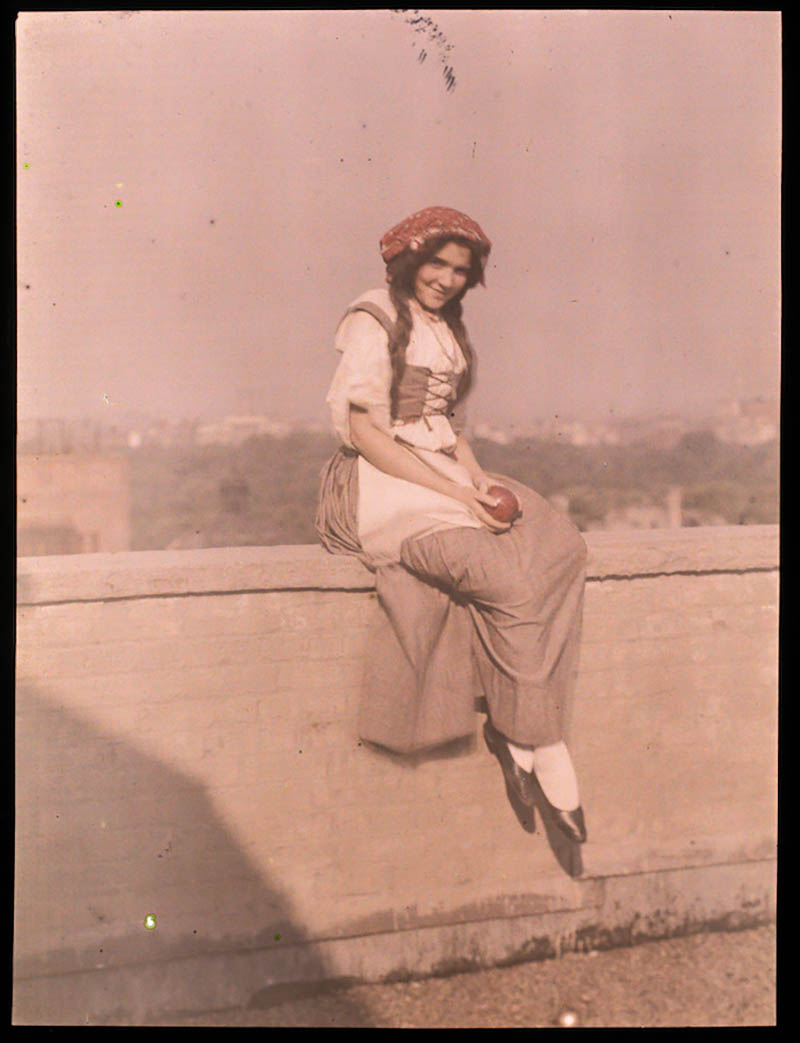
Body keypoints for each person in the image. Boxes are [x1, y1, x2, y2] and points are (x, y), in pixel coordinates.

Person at [316, 206, 588, 845]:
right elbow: (366, 435)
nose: (446, 278)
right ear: (409, 257)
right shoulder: (372, 318)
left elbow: (449, 429)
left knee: (562, 547)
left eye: (460, 270)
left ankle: (514, 722)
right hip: (387, 487)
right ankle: (538, 741)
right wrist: (454, 495)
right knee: (505, 580)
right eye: (436, 263)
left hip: (442, 473)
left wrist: (480, 482)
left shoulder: (442, 326)